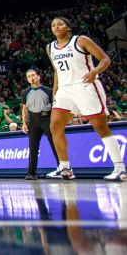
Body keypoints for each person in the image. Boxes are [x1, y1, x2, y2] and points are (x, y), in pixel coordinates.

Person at [44, 17, 125, 180]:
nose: (56, 27)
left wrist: (95, 71)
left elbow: (105, 59)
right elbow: (56, 72)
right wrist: (55, 93)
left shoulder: (80, 40)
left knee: (100, 127)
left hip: (85, 86)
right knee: (55, 126)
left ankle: (120, 168)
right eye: (53, 25)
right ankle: (65, 168)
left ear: (68, 27)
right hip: (65, 90)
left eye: (60, 24)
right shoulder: (50, 47)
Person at [21, 68, 55, 180]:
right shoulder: (25, 92)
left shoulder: (48, 90)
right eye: (29, 76)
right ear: (27, 80)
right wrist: (24, 123)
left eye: (33, 75)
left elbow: (54, 107)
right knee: (33, 148)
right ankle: (31, 173)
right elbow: (24, 109)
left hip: (47, 118)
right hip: (33, 120)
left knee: (54, 144)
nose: (32, 77)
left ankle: (63, 168)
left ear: (38, 76)